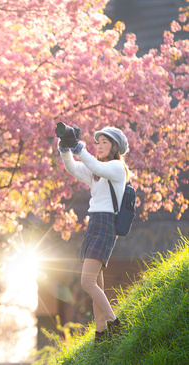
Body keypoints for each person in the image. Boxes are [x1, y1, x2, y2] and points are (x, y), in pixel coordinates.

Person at [57, 125, 129, 343]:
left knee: (87, 281)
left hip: (106, 224)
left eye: (104, 142)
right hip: (94, 224)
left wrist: (78, 146)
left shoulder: (117, 168)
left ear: (115, 147)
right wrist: (65, 148)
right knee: (96, 280)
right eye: (97, 143)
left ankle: (116, 324)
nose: (98, 146)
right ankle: (101, 333)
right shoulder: (96, 171)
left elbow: (95, 166)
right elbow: (73, 168)